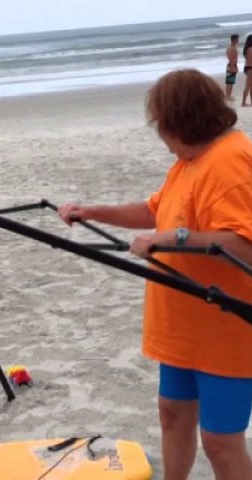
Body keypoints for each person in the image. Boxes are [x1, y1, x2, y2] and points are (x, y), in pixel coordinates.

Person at [58, 69, 252, 480]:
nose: (161, 138)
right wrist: (92, 211)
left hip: (226, 331)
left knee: (220, 442)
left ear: (181, 121)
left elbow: (242, 245)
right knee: (172, 415)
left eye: (162, 127)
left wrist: (173, 238)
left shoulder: (229, 160)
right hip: (183, 327)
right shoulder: (190, 160)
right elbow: (154, 211)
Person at [225, 34, 240, 101]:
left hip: (232, 65)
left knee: (230, 82)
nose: (238, 40)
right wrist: (233, 67)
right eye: (237, 39)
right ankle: (227, 96)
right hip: (231, 66)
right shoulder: (231, 48)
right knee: (229, 83)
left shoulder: (232, 47)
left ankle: (229, 96)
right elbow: (231, 59)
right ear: (234, 40)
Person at [241, 34, 252, 106]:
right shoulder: (251, 49)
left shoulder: (247, 49)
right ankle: (243, 102)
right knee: (248, 86)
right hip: (250, 68)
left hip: (247, 67)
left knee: (250, 86)